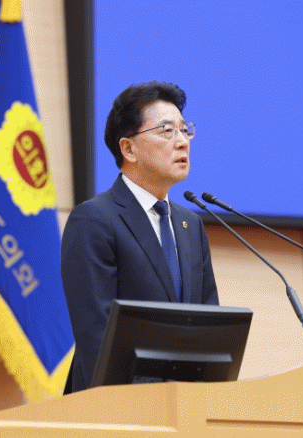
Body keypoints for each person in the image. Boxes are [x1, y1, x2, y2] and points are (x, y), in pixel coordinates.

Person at [61, 82, 219, 393]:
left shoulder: (190, 225)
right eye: (167, 131)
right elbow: (97, 337)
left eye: (184, 130)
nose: (182, 142)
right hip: (113, 405)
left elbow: (211, 329)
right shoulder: (94, 220)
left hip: (183, 406)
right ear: (129, 149)